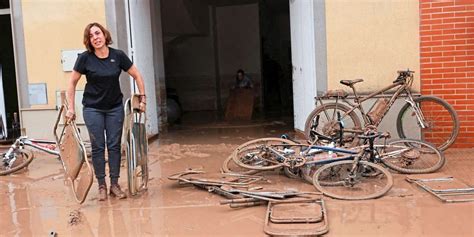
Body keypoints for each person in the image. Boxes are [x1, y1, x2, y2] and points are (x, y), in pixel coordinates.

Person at [66, 22, 146, 201]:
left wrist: (143, 98)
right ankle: (102, 185)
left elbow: (136, 74)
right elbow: (72, 82)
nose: (96, 37)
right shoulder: (85, 58)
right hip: (93, 108)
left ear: (104, 35)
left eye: (98, 33)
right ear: (89, 40)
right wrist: (71, 108)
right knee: (98, 146)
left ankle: (115, 185)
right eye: (91, 35)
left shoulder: (118, 56)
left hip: (114, 108)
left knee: (114, 145)